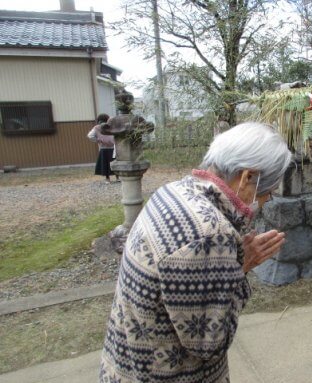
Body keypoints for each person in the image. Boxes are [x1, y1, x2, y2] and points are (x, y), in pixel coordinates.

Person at [100, 122, 292, 383]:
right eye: (267, 191)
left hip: (126, 363)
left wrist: (232, 266)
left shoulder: (172, 191)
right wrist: (240, 268)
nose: (267, 200)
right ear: (247, 177)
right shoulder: (211, 234)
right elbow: (209, 345)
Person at [87, 113, 119, 184]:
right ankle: (118, 178)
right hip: (113, 147)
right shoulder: (111, 126)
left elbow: (90, 136)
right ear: (107, 119)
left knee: (105, 164)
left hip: (103, 148)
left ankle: (107, 179)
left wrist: (98, 140)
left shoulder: (97, 127)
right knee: (115, 162)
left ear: (98, 120)